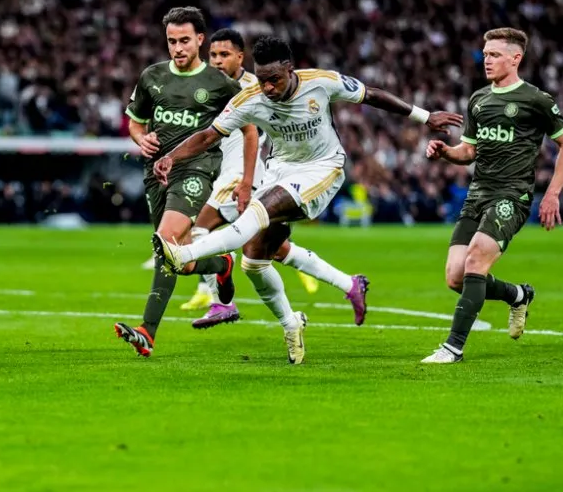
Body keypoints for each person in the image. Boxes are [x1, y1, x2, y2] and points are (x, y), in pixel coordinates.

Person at [152, 35, 462, 363]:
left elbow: (371, 95)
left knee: (255, 212)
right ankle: (292, 324)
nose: (268, 87)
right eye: (262, 80)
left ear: (290, 69)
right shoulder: (251, 98)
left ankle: (183, 253)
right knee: (254, 261)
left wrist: (425, 116)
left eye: (274, 79)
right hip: (280, 171)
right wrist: (171, 157)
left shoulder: (321, 82)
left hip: (322, 168)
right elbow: (208, 135)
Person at [182, 28, 370, 330]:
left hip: (248, 175)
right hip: (254, 173)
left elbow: (249, 135)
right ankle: (347, 284)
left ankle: (221, 301)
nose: (216, 60)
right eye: (213, 55)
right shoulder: (211, 87)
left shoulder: (250, 87)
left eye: (224, 54)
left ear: (240, 57)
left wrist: (246, 182)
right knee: (265, 251)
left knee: (203, 229)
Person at [419, 27, 563, 364]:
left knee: (476, 259)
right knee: (455, 277)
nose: (486, 60)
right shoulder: (479, 99)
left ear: (515, 58)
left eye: (494, 55)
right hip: (477, 194)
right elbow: (468, 152)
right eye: (485, 54)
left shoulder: (536, 100)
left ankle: (452, 348)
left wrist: (552, 194)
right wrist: (445, 152)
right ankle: (518, 295)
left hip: (512, 196)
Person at [113, 7, 255, 358]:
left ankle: (147, 330)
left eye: (185, 41)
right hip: (156, 173)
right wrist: (141, 138)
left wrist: (247, 182)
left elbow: (250, 130)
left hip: (197, 170)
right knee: (180, 259)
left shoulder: (220, 83)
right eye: (172, 41)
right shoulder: (152, 76)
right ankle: (221, 265)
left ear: (200, 40)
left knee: (165, 241)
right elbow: (135, 121)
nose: (177, 48)